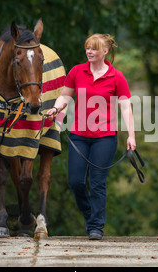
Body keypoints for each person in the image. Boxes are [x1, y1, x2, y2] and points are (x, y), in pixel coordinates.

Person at [46, 33, 136, 240]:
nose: (89, 52)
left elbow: (125, 108)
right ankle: (89, 215)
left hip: (105, 138)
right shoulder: (77, 71)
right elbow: (65, 96)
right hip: (79, 135)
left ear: (105, 51)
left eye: (94, 49)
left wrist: (131, 136)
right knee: (76, 182)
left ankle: (96, 226)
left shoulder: (117, 77)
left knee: (97, 183)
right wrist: (55, 109)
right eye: (87, 48)